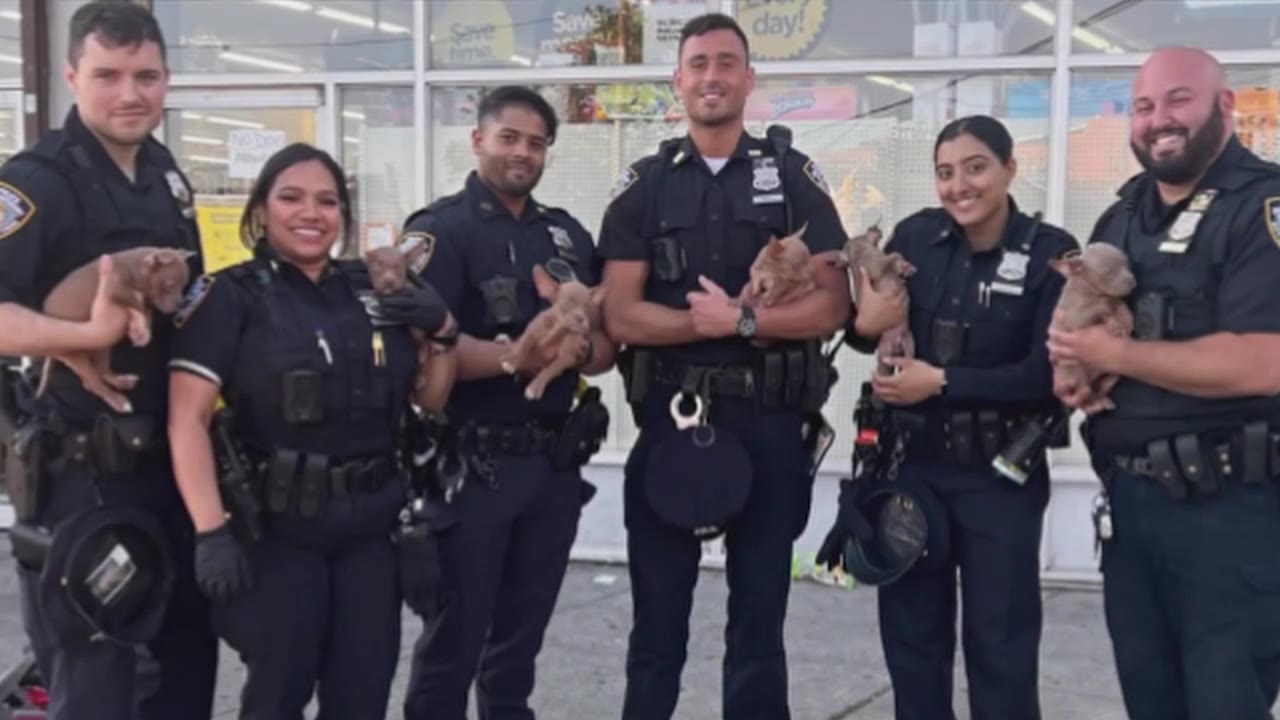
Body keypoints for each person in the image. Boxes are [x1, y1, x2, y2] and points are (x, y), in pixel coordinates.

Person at [597, 14, 850, 720]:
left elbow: (833, 304)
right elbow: (619, 313)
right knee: (657, 625)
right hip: (674, 420)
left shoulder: (792, 176)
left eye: (727, 63)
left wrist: (743, 321)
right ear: (677, 80)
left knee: (759, 626)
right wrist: (694, 324)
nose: (712, 76)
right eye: (698, 63)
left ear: (748, 78)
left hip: (770, 422)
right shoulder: (645, 184)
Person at [165, 142, 456, 717]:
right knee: (279, 693)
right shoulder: (230, 296)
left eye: (327, 201)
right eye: (291, 197)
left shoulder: (372, 291)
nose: (310, 213)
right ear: (261, 211)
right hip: (279, 533)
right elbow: (187, 419)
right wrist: (210, 533)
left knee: (363, 695)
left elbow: (429, 396)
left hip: (371, 531)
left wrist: (443, 330)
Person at [0, 3, 219, 718]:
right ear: (71, 77)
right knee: (99, 687)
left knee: (184, 676)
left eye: (147, 76)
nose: (131, 93)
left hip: (173, 468)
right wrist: (75, 336)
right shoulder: (33, 182)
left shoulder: (164, 172)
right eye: (108, 75)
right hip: (84, 479)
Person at [1048, 47, 1280, 720]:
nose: (1158, 120)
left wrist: (1114, 353)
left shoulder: (1261, 206)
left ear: (1225, 106)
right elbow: (1084, 319)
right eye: (1144, 106)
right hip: (1133, 507)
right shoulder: (1121, 218)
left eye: (1178, 99)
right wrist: (1075, 367)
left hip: (1231, 513)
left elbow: (1263, 361)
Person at [825, 115, 1079, 720]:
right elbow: (864, 332)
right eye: (945, 172)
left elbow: (1048, 377)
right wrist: (870, 332)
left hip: (1000, 480)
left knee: (1003, 647)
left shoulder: (1050, 254)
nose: (959, 185)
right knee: (914, 647)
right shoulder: (915, 239)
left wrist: (940, 381)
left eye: (975, 168)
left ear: (1010, 170)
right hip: (913, 471)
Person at [400, 85, 617, 720]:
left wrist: (574, 352)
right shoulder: (441, 232)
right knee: (454, 646)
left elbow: (606, 347)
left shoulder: (567, 236)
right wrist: (512, 357)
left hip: (551, 471)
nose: (523, 153)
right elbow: (422, 356)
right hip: (473, 470)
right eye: (509, 138)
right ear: (478, 141)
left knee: (517, 654)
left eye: (536, 142)